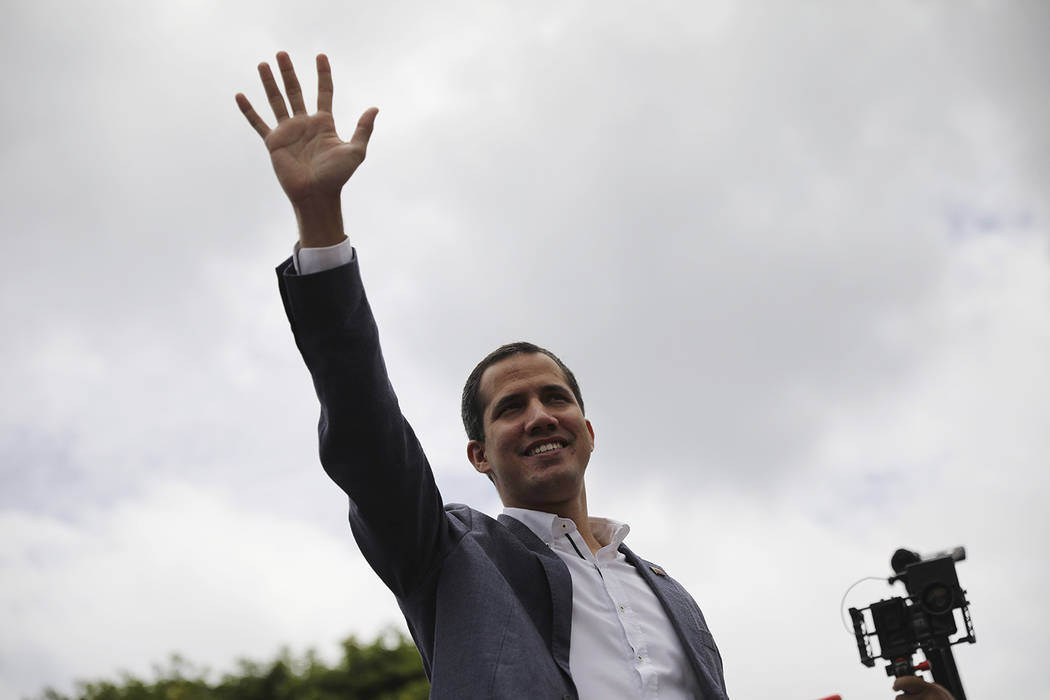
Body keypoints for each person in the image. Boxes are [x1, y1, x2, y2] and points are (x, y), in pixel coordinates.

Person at [235, 51, 937, 700]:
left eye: (555, 397)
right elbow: (367, 433)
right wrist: (319, 218)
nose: (539, 414)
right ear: (478, 454)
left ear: (588, 431)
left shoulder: (671, 595)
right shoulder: (447, 556)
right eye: (510, 407)